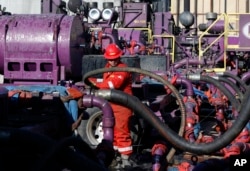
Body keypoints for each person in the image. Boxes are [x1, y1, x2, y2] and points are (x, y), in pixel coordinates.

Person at [89, 43, 134, 169]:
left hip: (122, 106)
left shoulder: (122, 69)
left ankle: (126, 160)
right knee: (111, 132)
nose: (112, 62)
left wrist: (96, 84)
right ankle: (115, 157)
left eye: (114, 59)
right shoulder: (108, 67)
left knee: (122, 132)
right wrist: (93, 81)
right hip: (111, 105)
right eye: (110, 59)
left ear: (119, 57)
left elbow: (112, 84)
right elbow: (105, 81)